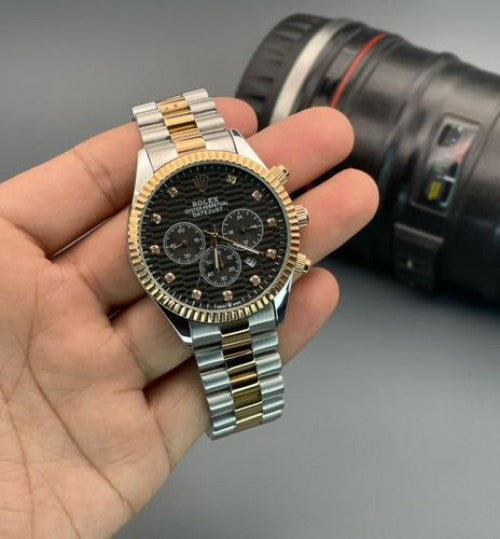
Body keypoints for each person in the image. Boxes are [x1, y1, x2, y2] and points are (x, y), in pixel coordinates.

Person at [0, 97, 378, 538]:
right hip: (205, 292)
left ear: (291, 218)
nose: (215, 234)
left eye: (224, 230)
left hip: (250, 283)